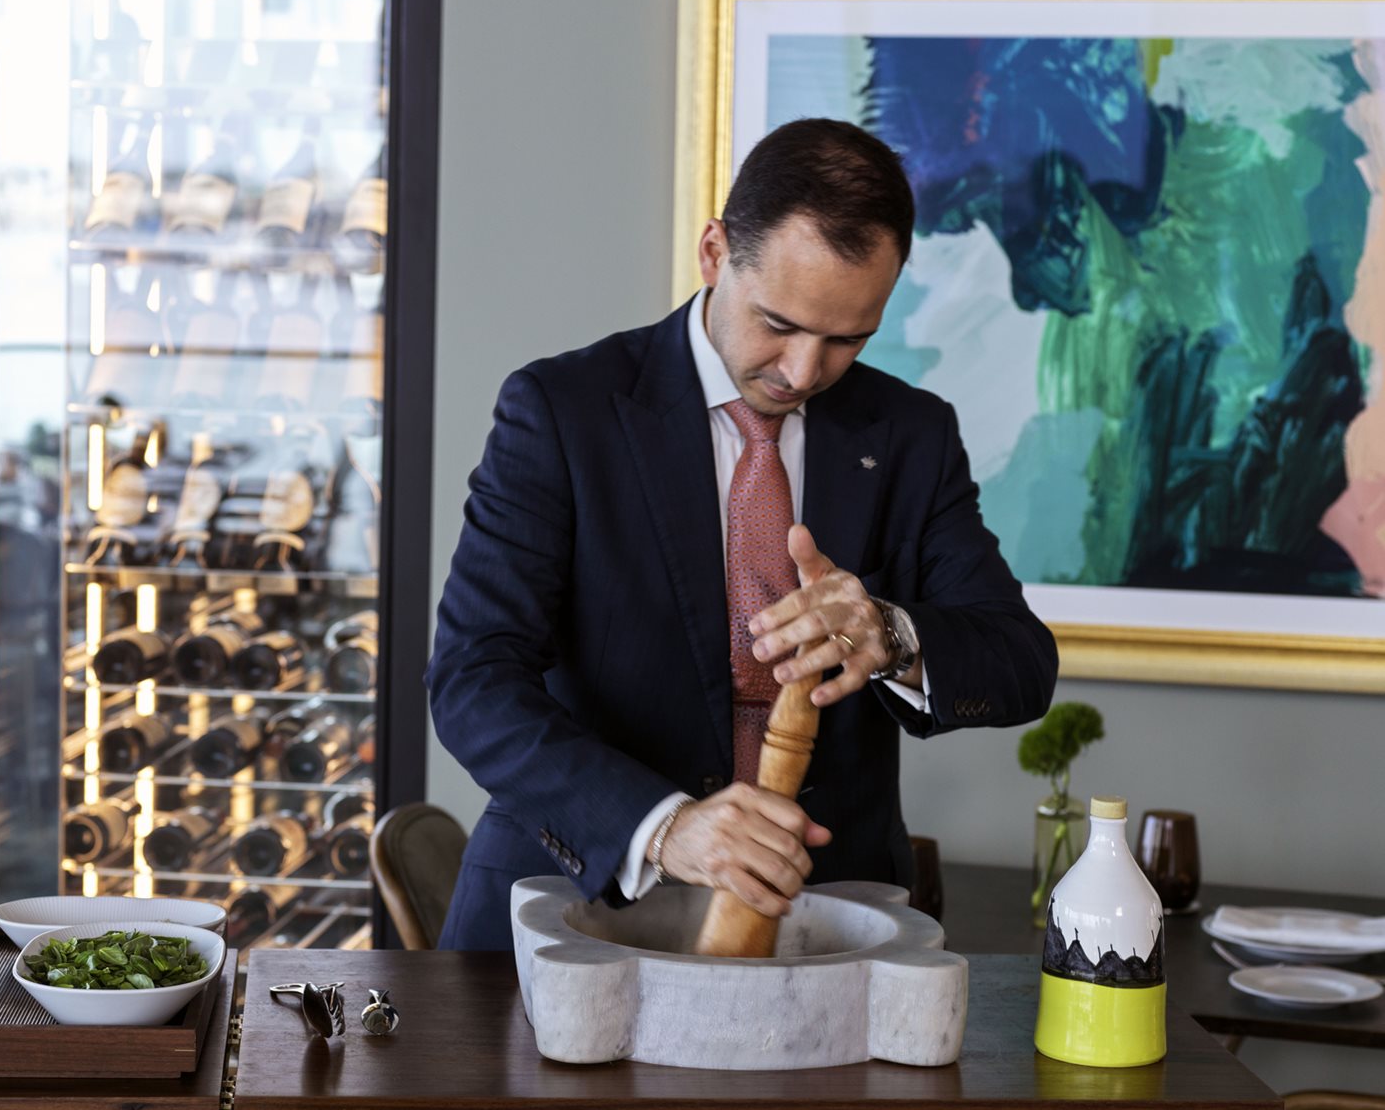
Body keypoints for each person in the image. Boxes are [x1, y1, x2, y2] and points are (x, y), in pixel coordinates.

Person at [428, 117, 1058, 951]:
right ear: (714, 252)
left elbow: (1021, 663)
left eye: (847, 338)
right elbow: (472, 678)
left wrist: (891, 633)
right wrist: (664, 825)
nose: (804, 371)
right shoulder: (560, 411)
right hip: (573, 911)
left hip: (822, 925)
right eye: (778, 323)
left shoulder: (912, 434)